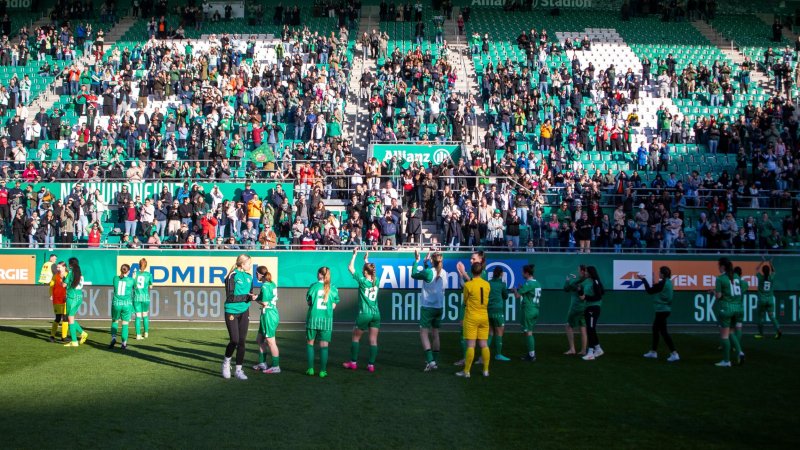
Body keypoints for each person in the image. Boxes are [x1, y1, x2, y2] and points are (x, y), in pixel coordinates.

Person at [343, 250, 380, 372]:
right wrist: (366, 261)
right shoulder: (377, 280)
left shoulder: (363, 281)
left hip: (365, 313)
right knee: (373, 340)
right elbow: (372, 271)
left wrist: (354, 255)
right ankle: (371, 365)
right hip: (376, 313)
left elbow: (350, 267)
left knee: (355, 338)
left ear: (365, 272)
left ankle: (353, 363)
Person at [411, 250, 446, 372]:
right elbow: (429, 276)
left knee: (423, 333)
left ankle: (430, 360)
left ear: (432, 260)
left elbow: (414, 274)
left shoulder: (429, 272)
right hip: (439, 307)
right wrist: (426, 264)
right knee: (435, 333)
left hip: (427, 307)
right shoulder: (444, 273)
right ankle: (434, 361)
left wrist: (416, 261)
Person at [456, 262, 491, 378]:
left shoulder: (468, 285)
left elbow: (465, 301)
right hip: (484, 317)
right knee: (484, 344)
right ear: (481, 272)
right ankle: (486, 370)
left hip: (472, 317)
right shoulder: (487, 285)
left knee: (471, 345)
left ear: (471, 272)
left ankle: (466, 372)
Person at [222, 254, 254, 380]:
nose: (250, 266)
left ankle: (239, 370)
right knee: (234, 340)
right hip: (231, 311)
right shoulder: (232, 275)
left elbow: (249, 294)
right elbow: (230, 297)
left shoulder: (249, 277)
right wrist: (247, 297)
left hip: (244, 311)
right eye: (248, 263)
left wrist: (254, 297)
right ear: (242, 264)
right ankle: (226, 362)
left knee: (242, 341)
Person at [639, 266, 680, 362]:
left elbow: (649, 291)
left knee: (663, 332)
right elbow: (658, 288)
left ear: (663, 274)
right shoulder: (668, 282)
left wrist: (643, 279)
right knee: (656, 330)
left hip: (662, 310)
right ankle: (653, 352)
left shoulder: (663, 283)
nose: (659, 273)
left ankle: (674, 353)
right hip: (664, 310)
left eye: (660, 272)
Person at [305, 266, 339, 378]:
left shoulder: (313, 287)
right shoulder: (333, 288)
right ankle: (322, 371)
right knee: (324, 346)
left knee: (310, 343)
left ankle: (310, 369)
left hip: (313, 319)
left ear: (320, 274)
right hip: (326, 320)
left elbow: (309, 303)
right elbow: (334, 306)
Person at [454, 251, 486, 366]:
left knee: (474, 337)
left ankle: (471, 361)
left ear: (480, 260)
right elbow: (465, 286)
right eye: (471, 259)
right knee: (464, 334)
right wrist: (460, 275)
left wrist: (463, 272)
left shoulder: (484, 273)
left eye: (473, 259)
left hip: (474, 310)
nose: (471, 261)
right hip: (467, 307)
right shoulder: (472, 274)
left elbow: (474, 284)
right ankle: (467, 359)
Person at [713, 257, 744, 367]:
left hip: (726, 309)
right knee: (731, 332)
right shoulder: (737, 277)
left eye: (719, 266)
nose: (718, 268)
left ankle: (726, 361)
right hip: (738, 309)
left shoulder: (720, 278)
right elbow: (741, 289)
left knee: (725, 336)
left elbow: (719, 296)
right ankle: (740, 352)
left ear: (722, 266)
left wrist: (714, 292)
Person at [252, 266, 281, 374]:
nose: (256, 275)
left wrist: (255, 299)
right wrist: (257, 296)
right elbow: (266, 298)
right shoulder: (271, 283)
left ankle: (276, 366)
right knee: (259, 340)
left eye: (256, 273)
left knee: (271, 341)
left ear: (260, 274)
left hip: (269, 314)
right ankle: (262, 363)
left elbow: (265, 303)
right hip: (268, 313)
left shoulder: (264, 286)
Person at [514, 264, 542, 362]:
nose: (522, 274)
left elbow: (517, 296)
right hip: (535, 309)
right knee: (529, 331)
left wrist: (514, 290)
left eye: (523, 272)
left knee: (528, 332)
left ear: (527, 273)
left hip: (528, 310)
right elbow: (530, 292)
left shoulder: (528, 283)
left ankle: (531, 355)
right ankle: (531, 353)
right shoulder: (537, 283)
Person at [580, 266, 605, 361]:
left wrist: (586, 297)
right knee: (591, 329)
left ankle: (590, 353)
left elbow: (598, 296)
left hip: (593, 308)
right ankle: (598, 349)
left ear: (590, 272)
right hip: (588, 307)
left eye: (586, 271)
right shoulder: (588, 282)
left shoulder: (595, 282)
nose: (585, 273)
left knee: (590, 329)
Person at [63, 257, 88, 347]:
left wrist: (63, 279)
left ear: (70, 265)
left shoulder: (70, 273)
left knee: (70, 318)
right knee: (71, 318)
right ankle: (80, 335)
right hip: (79, 297)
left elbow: (64, 285)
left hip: (72, 297)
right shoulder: (80, 274)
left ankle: (75, 340)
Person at [563, 266, 588, 356]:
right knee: (583, 328)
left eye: (578, 270)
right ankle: (583, 350)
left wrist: (568, 280)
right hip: (584, 306)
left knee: (568, 326)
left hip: (576, 307)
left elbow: (566, 288)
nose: (577, 272)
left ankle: (572, 349)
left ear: (581, 271)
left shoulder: (578, 282)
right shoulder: (588, 281)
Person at [487, 266, 510, 361]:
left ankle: (484, 355)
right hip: (498, 310)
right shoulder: (502, 284)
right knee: (499, 332)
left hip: (488, 310)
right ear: (501, 274)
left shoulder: (488, 283)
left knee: (490, 333)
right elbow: (505, 296)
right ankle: (498, 354)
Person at [755, 258, 782, 339]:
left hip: (762, 300)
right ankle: (778, 329)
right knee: (772, 316)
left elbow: (756, 269)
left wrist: (762, 261)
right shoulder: (771, 277)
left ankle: (761, 334)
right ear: (769, 271)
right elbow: (774, 271)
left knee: (760, 317)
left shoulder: (760, 277)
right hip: (770, 300)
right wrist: (770, 263)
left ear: (763, 271)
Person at [109, 264, 134, 350]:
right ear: (128, 271)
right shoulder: (131, 280)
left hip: (116, 303)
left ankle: (113, 338)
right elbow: (134, 285)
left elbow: (120, 278)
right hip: (126, 304)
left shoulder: (115, 278)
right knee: (125, 323)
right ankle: (123, 344)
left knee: (115, 321)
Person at [49, 261, 69, 342]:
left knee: (65, 318)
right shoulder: (55, 276)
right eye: (57, 267)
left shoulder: (68, 275)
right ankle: (52, 336)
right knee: (57, 318)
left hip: (65, 299)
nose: (57, 268)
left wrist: (68, 295)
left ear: (64, 267)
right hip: (57, 299)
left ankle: (64, 337)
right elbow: (51, 287)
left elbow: (70, 286)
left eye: (59, 267)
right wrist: (51, 295)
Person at [133, 258, 153, 340]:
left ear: (139, 265)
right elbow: (151, 287)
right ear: (146, 266)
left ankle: (138, 335)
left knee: (138, 316)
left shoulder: (135, 273)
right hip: (145, 297)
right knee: (145, 315)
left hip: (137, 297)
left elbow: (133, 285)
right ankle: (146, 333)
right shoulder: (149, 275)